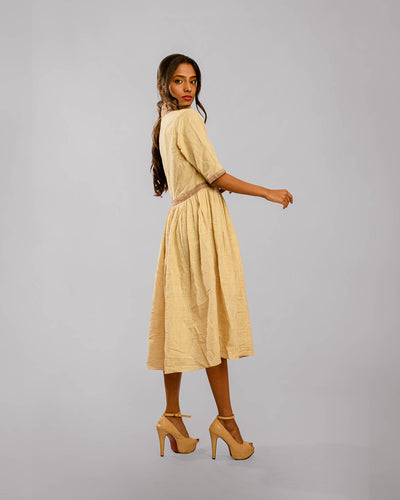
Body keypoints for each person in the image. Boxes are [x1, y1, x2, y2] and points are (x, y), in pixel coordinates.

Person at [147, 54, 293, 460]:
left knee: (178, 317)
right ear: (165, 85)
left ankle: (172, 416)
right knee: (212, 319)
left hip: (180, 221)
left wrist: (213, 184)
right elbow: (215, 175)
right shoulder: (188, 120)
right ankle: (226, 422)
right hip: (200, 224)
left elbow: (198, 175)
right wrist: (267, 192)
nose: (187, 88)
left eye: (193, 81)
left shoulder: (165, 122)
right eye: (179, 81)